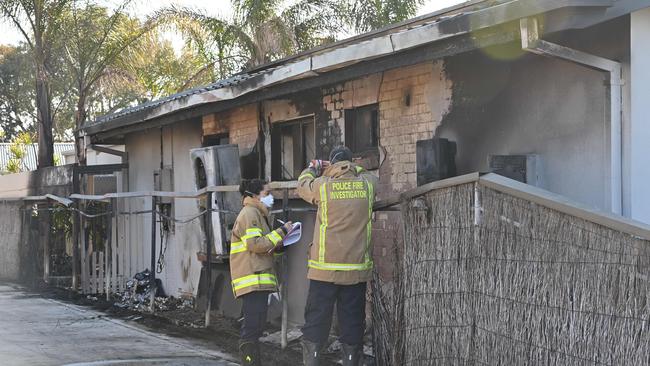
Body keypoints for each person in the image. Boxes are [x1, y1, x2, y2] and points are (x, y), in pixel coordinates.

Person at [297, 146, 378, 366]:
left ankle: (312, 361)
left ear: (332, 164)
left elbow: (302, 185)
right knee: (352, 322)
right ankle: (351, 360)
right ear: (351, 164)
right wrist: (351, 166)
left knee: (316, 320)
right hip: (355, 272)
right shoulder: (368, 185)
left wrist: (314, 168)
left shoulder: (323, 187)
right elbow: (367, 173)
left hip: (324, 271)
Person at [230, 179, 293, 366]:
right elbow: (255, 245)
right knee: (252, 328)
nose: (271, 197)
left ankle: (252, 362)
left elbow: (263, 245)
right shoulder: (250, 214)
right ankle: (249, 362)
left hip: (257, 277)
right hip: (252, 279)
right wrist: (281, 231)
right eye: (267, 193)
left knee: (256, 327)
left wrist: (280, 246)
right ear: (254, 195)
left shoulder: (257, 213)